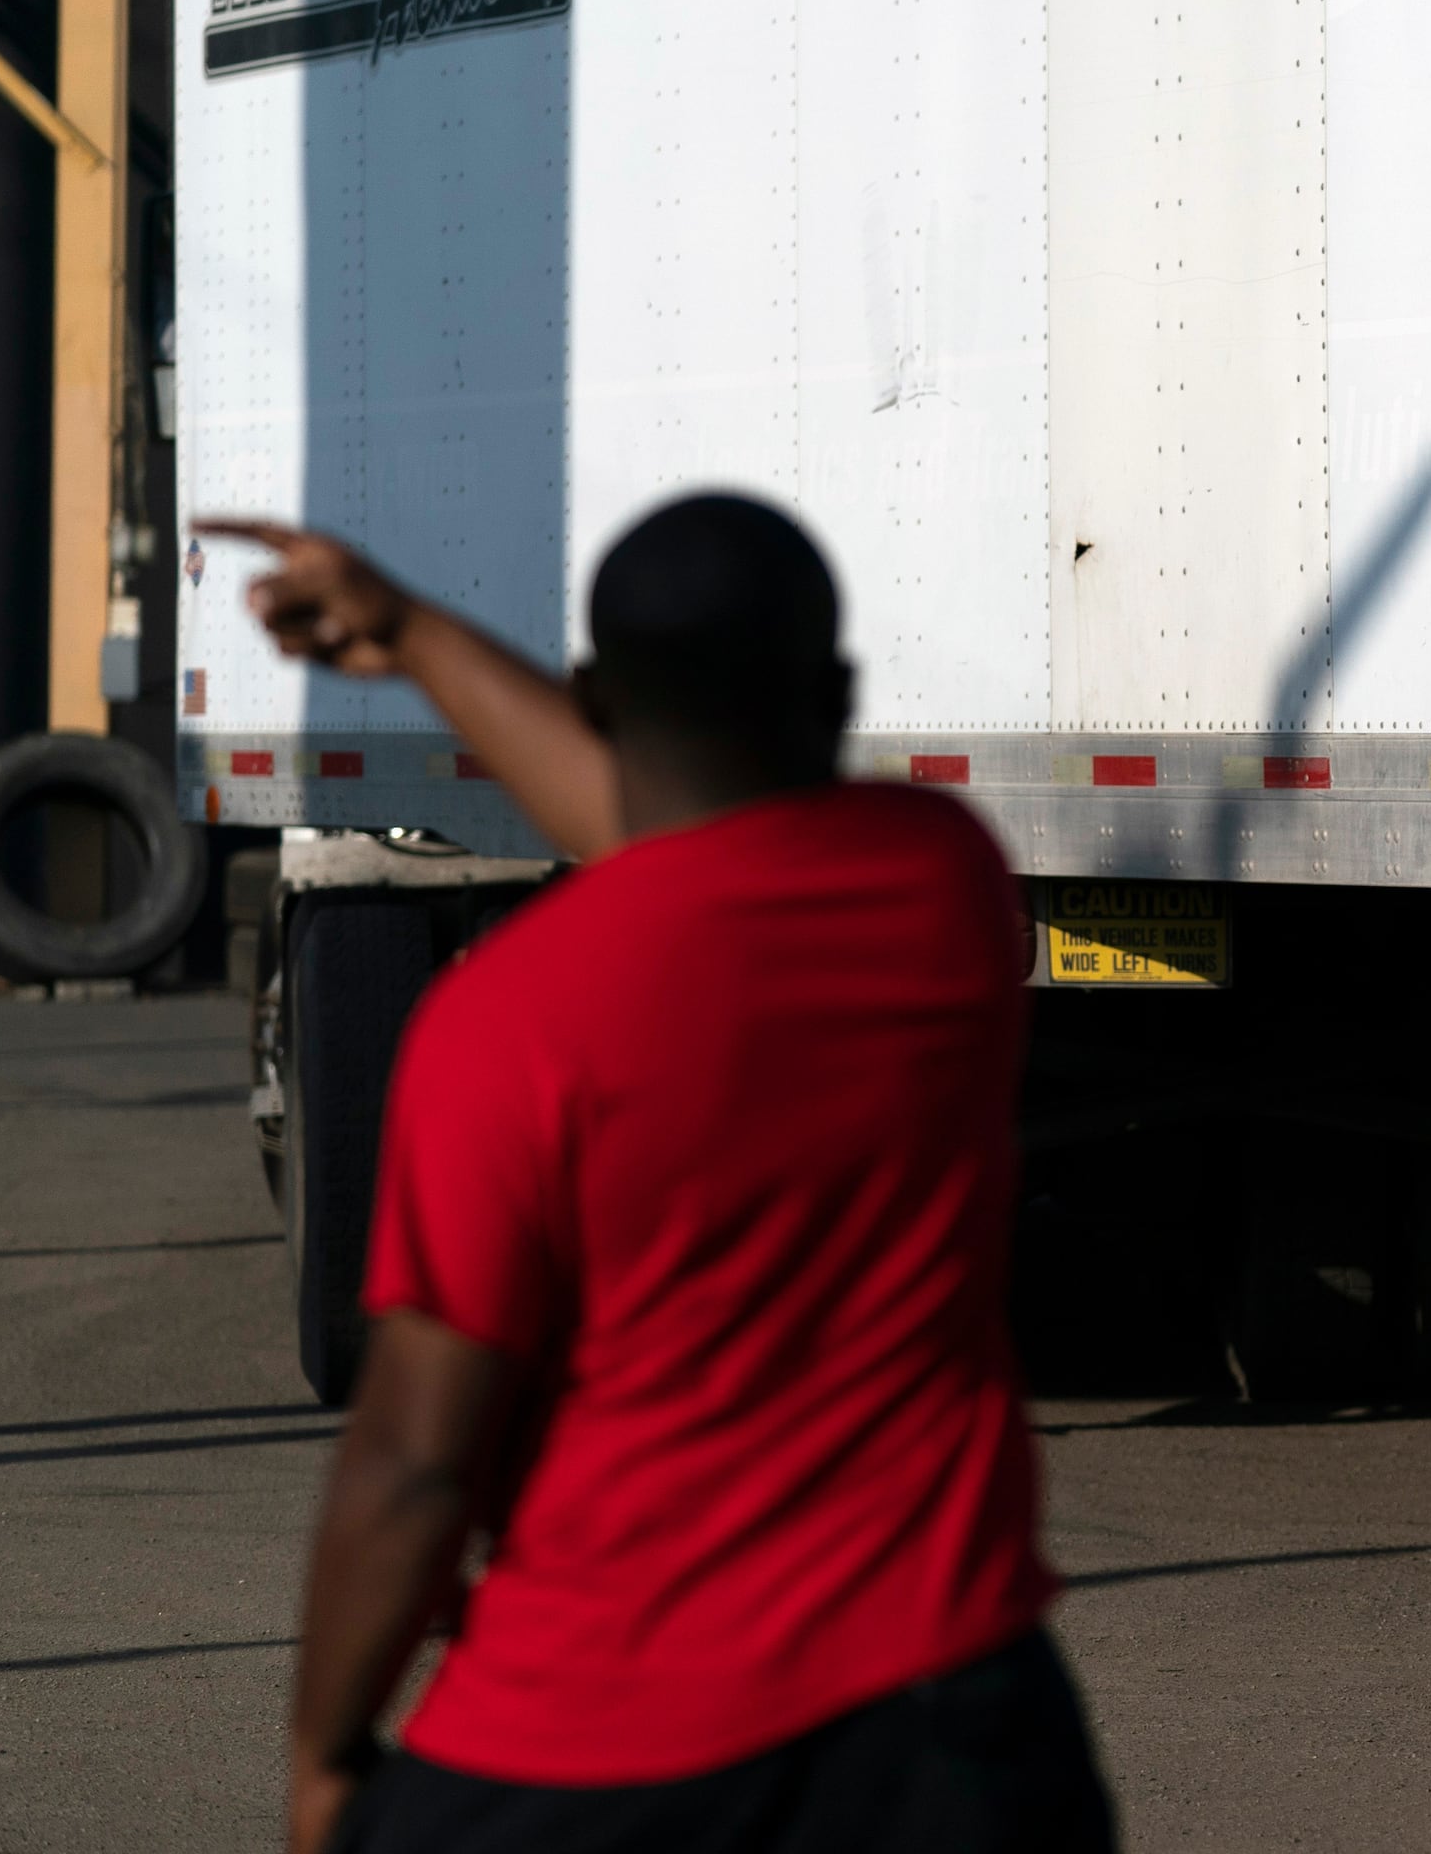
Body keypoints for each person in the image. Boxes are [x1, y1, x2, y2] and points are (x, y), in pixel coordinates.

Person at [201, 499, 1116, 1854]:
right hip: (950, 1724)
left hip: (582, 1752)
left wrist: (325, 1755)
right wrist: (415, 636)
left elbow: (410, 1460)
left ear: (593, 693)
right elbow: (681, 834)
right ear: (839, 691)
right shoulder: (938, 881)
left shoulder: (507, 1022)